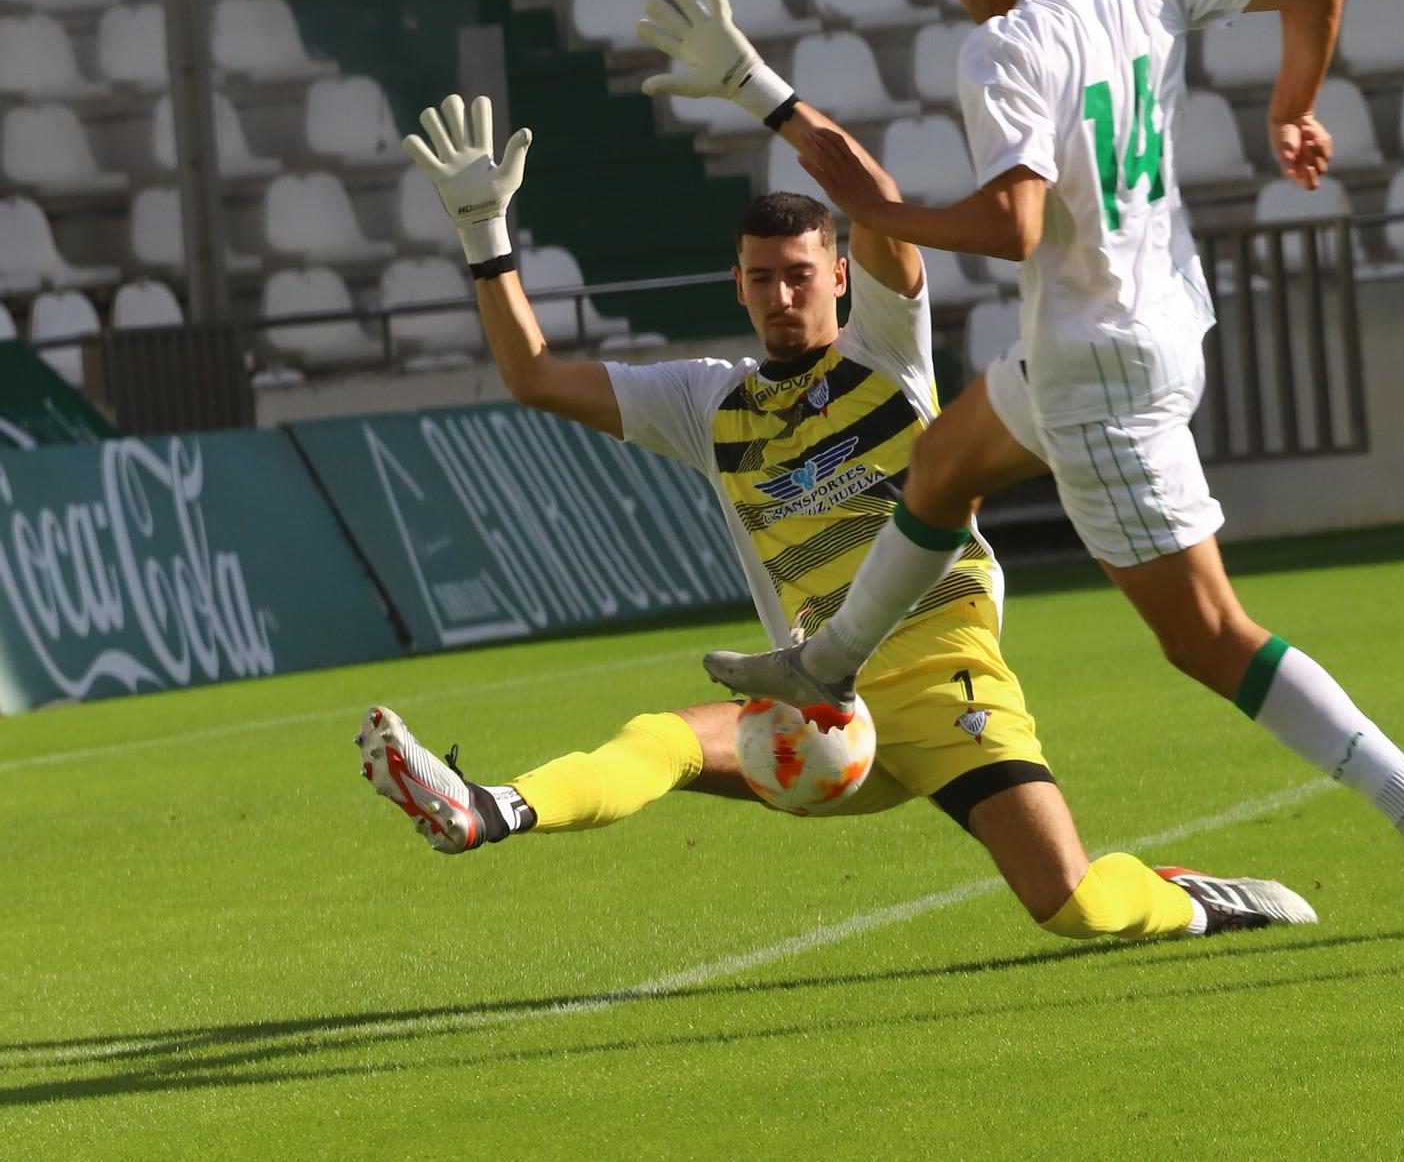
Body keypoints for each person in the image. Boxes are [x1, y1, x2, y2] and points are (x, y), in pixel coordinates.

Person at [644, 0, 1404, 962]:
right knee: (941, 463)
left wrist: (899, 221)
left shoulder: (1001, 46)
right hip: (1143, 329)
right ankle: (830, 658)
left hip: (1098, 376)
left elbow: (1013, 226)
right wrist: (1291, 107)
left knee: (1207, 637)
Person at [356, 88, 1319, 944]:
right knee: (666, 737)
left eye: (801, 274)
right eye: (762, 278)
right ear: (736, 284)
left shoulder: (887, 353)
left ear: (840, 275)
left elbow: (880, 211)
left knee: (1071, 904)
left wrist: (764, 92)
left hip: (943, 673)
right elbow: (531, 375)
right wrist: (486, 235)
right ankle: (488, 809)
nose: (782, 294)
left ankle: (1194, 902)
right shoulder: (706, 402)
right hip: (820, 703)